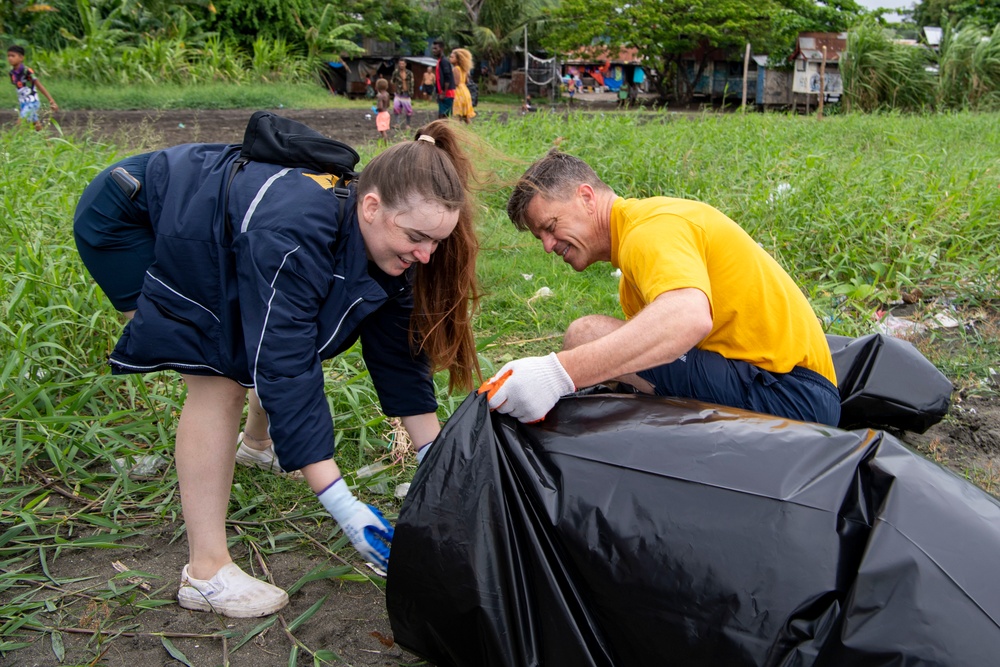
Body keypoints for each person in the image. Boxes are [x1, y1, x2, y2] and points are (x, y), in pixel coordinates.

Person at [73, 120, 481, 618]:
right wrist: (339, 502)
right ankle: (206, 572)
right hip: (130, 215)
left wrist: (436, 462)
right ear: (370, 207)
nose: (426, 254)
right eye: (417, 237)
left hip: (219, 227)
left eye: (436, 242)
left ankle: (256, 446)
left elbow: (399, 359)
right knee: (216, 375)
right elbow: (283, 359)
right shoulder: (293, 230)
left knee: (261, 334)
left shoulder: (394, 250)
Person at [480, 149, 840, 428]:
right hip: (777, 384)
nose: (547, 245)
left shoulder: (650, 230)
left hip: (793, 396)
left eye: (551, 225)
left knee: (586, 335)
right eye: (539, 236)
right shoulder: (637, 249)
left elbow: (687, 318)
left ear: (587, 197)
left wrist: (557, 373)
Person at [7, 44, 57, 131]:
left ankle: (12, 143)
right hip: (23, 103)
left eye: (13, 56)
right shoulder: (12, 73)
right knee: (37, 127)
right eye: (8, 56)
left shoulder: (27, 71)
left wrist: (51, 101)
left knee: (20, 124)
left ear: (21, 58)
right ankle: (49, 144)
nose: (10, 58)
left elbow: (39, 85)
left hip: (32, 102)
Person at [449, 48, 476, 125]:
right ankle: (472, 130)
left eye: (452, 57)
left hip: (458, 92)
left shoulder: (455, 69)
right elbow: (466, 81)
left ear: (458, 59)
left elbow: (456, 83)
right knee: (466, 117)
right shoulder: (464, 69)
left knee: (457, 114)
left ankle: (457, 132)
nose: (450, 58)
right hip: (465, 91)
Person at [431, 39, 455, 119]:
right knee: (442, 116)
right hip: (442, 92)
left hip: (447, 93)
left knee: (444, 117)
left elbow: (447, 77)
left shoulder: (444, 61)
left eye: (436, 49)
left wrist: (444, 93)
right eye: (433, 48)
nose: (433, 50)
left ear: (441, 49)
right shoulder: (439, 61)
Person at [391, 58, 414, 129]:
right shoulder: (396, 73)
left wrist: (411, 92)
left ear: (405, 64)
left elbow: (412, 83)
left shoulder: (409, 73)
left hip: (407, 94)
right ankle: (397, 123)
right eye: (400, 64)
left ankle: (408, 124)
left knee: (408, 110)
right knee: (396, 108)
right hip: (398, 94)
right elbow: (392, 81)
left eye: (402, 64)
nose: (401, 65)